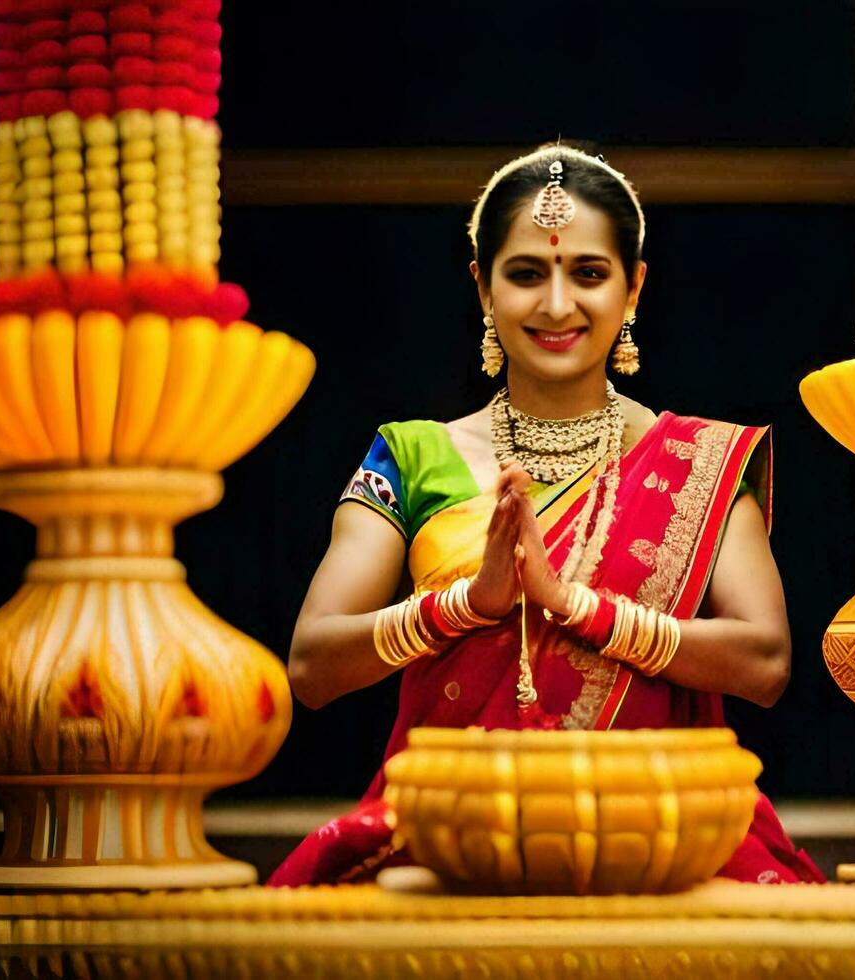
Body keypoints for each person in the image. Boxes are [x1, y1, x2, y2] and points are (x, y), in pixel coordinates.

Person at [268, 144, 823, 886]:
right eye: (526, 273)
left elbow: (764, 663)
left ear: (633, 290)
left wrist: (572, 606)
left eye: (588, 273)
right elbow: (311, 666)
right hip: (453, 827)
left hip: (662, 829)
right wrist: (468, 605)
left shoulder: (700, 462)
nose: (557, 304)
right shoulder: (410, 455)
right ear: (483, 288)